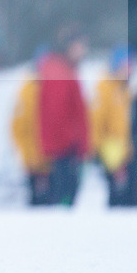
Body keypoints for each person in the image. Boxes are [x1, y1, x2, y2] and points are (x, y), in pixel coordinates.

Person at [36, 25, 90, 206]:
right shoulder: (58, 72)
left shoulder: (64, 70)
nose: (83, 50)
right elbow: (57, 115)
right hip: (64, 150)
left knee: (66, 199)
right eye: (80, 45)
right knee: (63, 201)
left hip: (66, 149)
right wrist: (73, 143)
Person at [89, 46, 134, 206]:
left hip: (125, 152)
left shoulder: (124, 89)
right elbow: (95, 123)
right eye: (125, 65)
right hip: (111, 153)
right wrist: (100, 153)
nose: (129, 69)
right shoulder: (105, 88)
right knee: (117, 197)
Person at [10, 47, 52, 205]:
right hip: (34, 161)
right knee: (38, 205)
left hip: (51, 160)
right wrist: (27, 155)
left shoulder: (52, 87)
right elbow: (18, 127)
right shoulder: (27, 91)